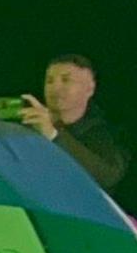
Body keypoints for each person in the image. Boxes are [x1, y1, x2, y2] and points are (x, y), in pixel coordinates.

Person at [16, 53, 126, 195]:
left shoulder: (108, 134)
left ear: (90, 89)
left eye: (66, 80)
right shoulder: (29, 125)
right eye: (49, 81)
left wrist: (54, 135)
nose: (55, 88)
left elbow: (108, 176)